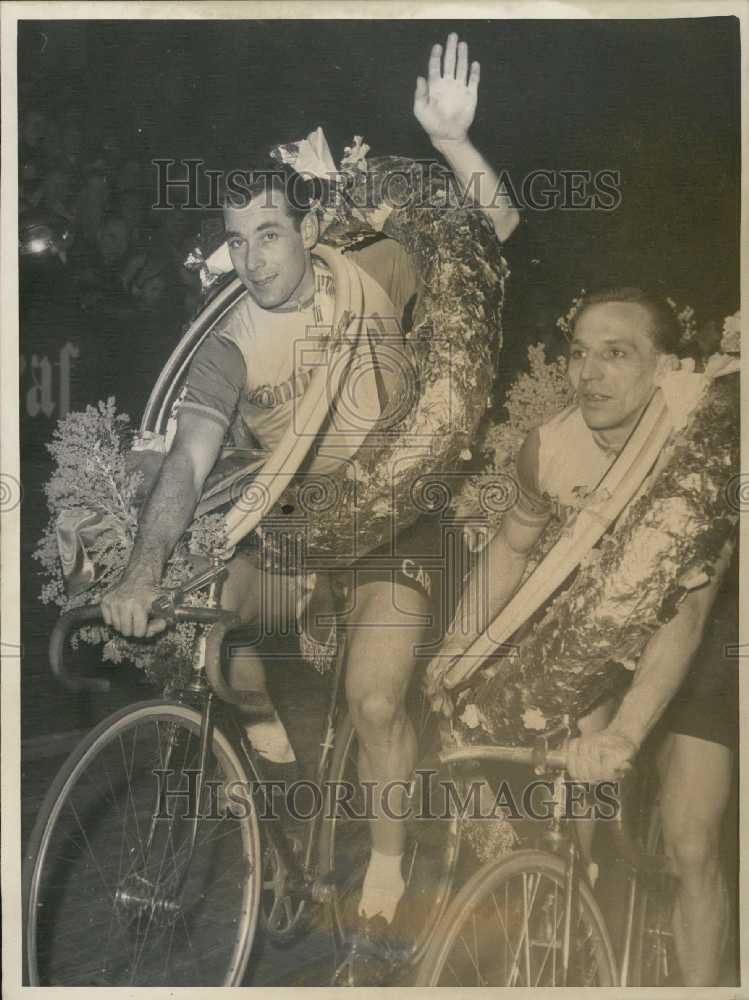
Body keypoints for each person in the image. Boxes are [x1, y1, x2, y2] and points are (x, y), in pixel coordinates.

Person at [101, 33, 518, 986]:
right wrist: (139, 570)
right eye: (238, 241)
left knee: (376, 697)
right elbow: (191, 460)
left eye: (270, 234)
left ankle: (382, 875)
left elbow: (491, 230)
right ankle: (273, 762)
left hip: (403, 524)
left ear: (308, 228)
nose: (254, 259)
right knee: (199, 640)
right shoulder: (228, 345)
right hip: (298, 533)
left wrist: (455, 141)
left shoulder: (371, 267)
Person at [439, 286, 737, 986]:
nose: (587, 374)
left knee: (692, 842)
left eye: (615, 354)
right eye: (577, 354)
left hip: (701, 636)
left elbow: (685, 616)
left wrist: (628, 733)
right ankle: (567, 918)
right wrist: (456, 649)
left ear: (665, 368)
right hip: (600, 633)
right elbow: (510, 550)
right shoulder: (550, 447)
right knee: (564, 798)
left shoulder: (703, 445)